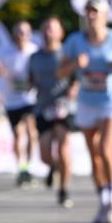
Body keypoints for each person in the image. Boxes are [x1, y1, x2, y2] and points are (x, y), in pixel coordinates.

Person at [60, 0, 112, 223]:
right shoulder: (75, 41)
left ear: (105, 16)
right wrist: (75, 65)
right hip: (86, 101)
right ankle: (103, 199)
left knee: (105, 149)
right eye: (88, 11)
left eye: (96, 11)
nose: (91, 16)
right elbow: (60, 72)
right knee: (94, 155)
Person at [28, 16, 75, 208]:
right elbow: (30, 81)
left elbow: (78, 76)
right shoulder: (35, 57)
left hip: (64, 106)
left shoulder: (66, 54)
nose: (49, 32)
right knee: (44, 154)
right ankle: (54, 167)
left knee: (64, 148)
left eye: (53, 29)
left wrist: (75, 88)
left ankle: (64, 190)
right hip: (43, 107)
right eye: (46, 28)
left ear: (60, 33)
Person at [0, 21, 38, 186]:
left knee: (31, 132)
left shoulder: (34, 52)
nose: (20, 36)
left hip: (31, 98)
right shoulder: (6, 53)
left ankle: (30, 166)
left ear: (29, 35)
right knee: (18, 134)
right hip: (12, 100)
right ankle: (22, 167)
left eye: (24, 33)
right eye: (18, 32)